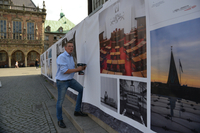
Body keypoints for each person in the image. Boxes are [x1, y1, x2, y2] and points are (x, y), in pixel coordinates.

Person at [56, 40, 87, 128]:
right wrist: (78, 69)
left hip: (70, 80)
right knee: (60, 102)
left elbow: (70, 70)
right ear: (65, 48)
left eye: (72, 46)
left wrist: (81, 68)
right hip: (62, 82)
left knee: (81, 90)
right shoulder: (62, 57)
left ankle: (77, 111)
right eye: (69, 46)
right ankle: (60, 119)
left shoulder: (70, 56)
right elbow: (64, 71)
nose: (71, 48)